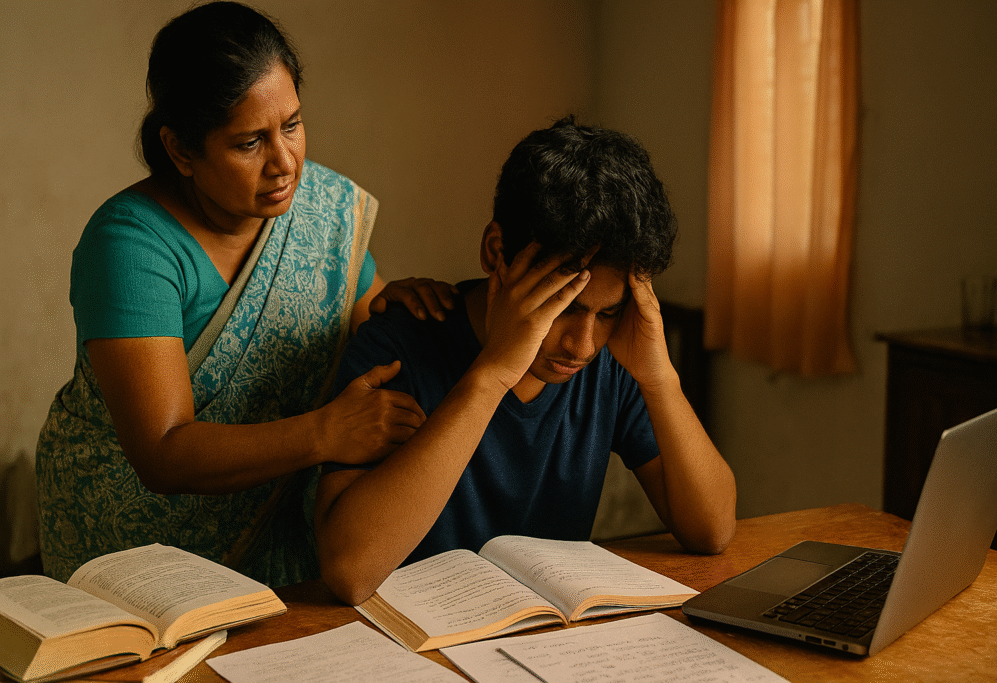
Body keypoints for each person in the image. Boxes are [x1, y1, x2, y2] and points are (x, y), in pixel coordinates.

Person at [35, 1, 455, 587]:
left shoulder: (319, 214)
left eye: (292, 125)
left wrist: (405, 313)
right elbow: (163, 452)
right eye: (249, 143)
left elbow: (369, 337)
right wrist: (325, 433)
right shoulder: (130, 245)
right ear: (181, 151)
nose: (285, 163)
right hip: (132, 555)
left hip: (280, 548)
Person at [315, 117, 737, 605]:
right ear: (496, 251)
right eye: (563, 305)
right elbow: (348, 571)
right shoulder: (397, 346)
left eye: (607, 313)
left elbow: (712, 530)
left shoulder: (614, 359)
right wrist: (492, 374)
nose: (582, 345)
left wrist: (660, 379)